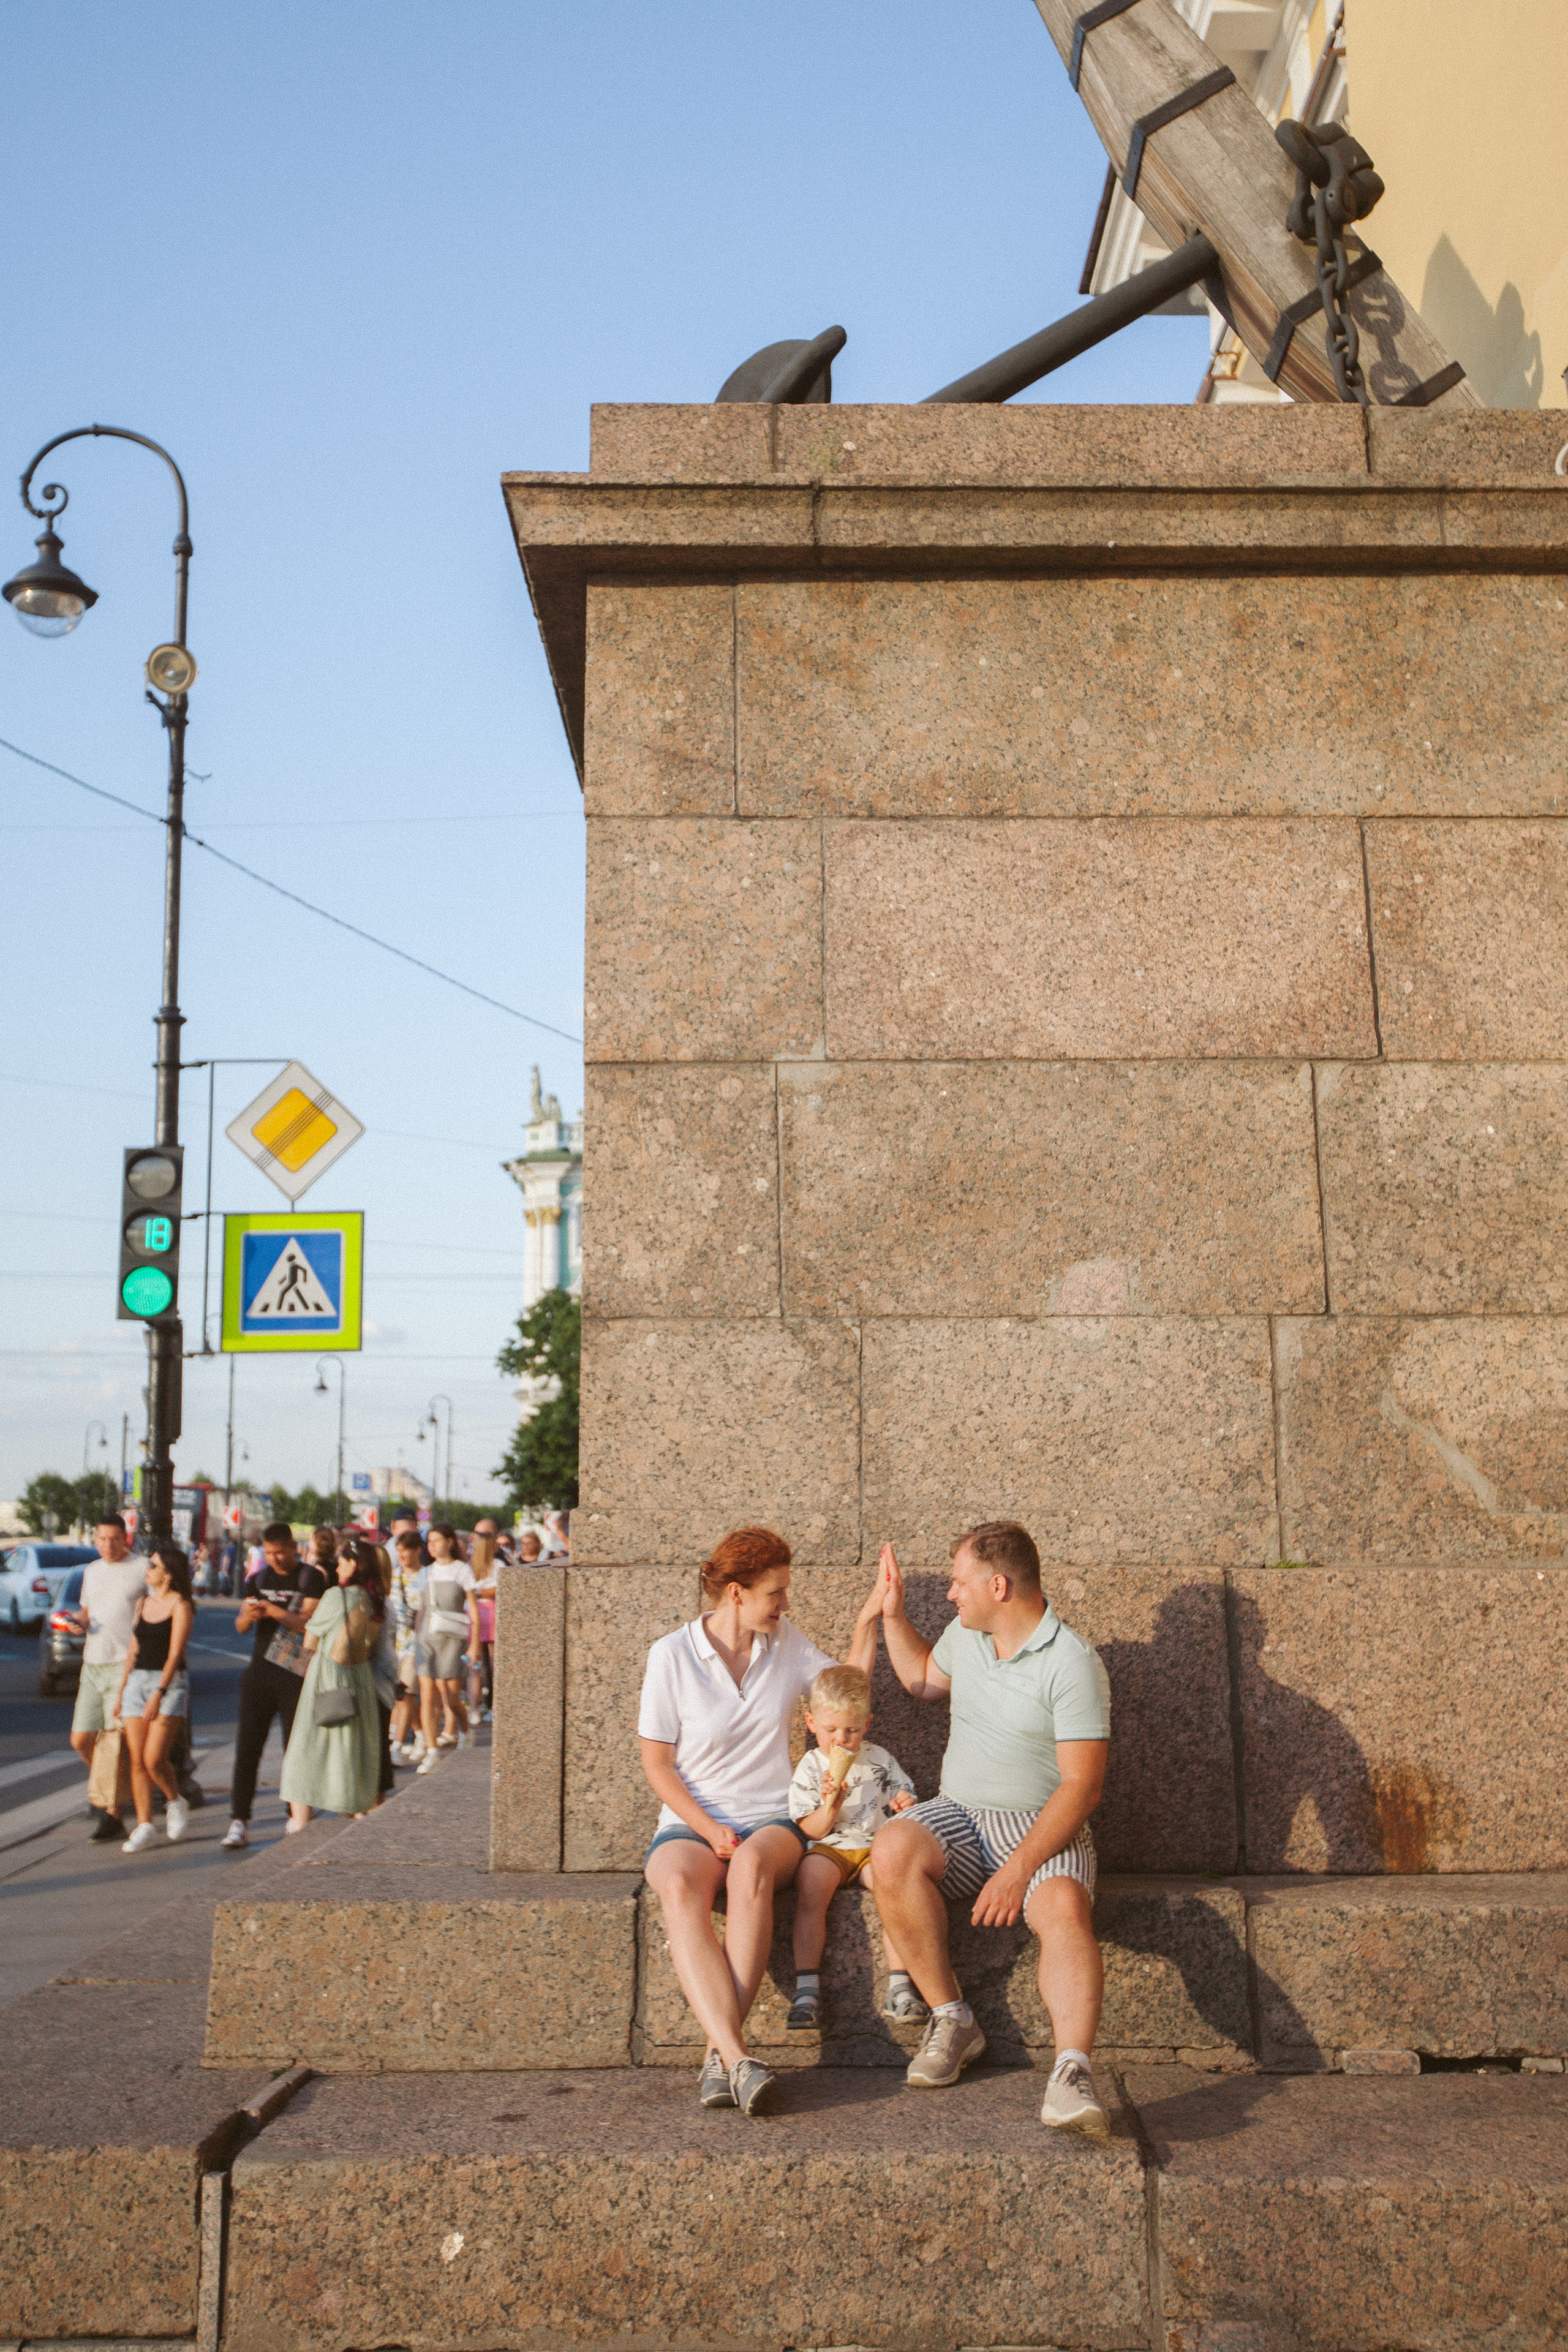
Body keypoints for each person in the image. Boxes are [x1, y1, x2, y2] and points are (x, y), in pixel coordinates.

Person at [865, 1525, 1113, 2141]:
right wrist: (892, 1617)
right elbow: (923, 1678)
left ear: (997, 1585)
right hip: (962, 1814)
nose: (950, 1594)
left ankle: (1071, 2073)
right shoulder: (968, 1637)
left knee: (1060, 1906)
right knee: (892, 1846)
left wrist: (1018, 1869)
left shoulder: (1071, 1663)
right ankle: (953, 2019)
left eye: (957, 1581)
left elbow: (1081, 1787)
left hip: (1041, 1825)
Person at [638, 1526, 883, 2117]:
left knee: (750, 1869)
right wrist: (705, 1827)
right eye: (776, 1593)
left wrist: (870, 1621)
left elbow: (847, 1689)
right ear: (736, 1593)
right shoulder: (672, 1655)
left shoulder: (787, 1643)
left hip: (774, 1816)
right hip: (691, 1817)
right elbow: (658, 1764)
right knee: (676, 1883)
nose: (786, 1604)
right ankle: (734, 2055)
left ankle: (724, 2058)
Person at [785, 1662, 922, 2030]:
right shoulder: (811, 1767)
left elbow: (904, 1798)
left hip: (874, 1846)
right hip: (830, 1846)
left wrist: (904, 1803)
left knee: (894, 1888)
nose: (841, 1740)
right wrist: (830, 1804)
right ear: (812, 1723)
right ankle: (807, 1987)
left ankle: (900, 1985)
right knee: (811, 1884)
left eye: (852, 1730)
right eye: (831, 1730)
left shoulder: (879, 1759)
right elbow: (811, 1830)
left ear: (867, 1724)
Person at [221, 1523, 328, 1849]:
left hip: (295, 1673)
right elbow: (240, 1626)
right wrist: (250, 1616)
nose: (274, 1558)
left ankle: (294, 1813)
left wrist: (273, 1610)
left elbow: (308, 1624)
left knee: (293, 1748)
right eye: (268, 1553)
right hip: (260, 1672)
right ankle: (239, 1819)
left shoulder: (311, 1578)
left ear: (293, 1548)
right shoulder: (258, 1578)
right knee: (247, 1747)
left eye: (280, 1551)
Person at [279, 1537, 385, 1823]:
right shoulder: (371, 1600)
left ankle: (300, 1823)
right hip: (358, 1679)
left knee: (308, 1748)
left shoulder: (337, 1597)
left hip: (328, 1676)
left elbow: (311, 1641)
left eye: (341, 1563)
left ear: (354, 1565)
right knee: (349, 1749)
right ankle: (352, 1809)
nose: (337, 1569)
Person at [68, 1515, 146, 1844]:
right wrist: (78, 1623)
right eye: (102, 1539)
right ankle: (112, 1793)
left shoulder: (142, 1567)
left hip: (123, 1662)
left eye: (114, 1539)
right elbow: (87, 1613)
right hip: (93, 1661)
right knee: (82, 1739)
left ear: (126, 1537)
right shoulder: (92, 1571)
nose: (108, 1545)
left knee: (113, 1742)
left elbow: (153, 1610)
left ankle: (112, 1814)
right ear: (96, 1539)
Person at [115, 1542, 197, 1853]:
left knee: (153, 1758)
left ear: (168, 1575)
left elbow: (175, 1654)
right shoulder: (142, 1604)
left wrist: (158, 1694)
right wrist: (122, 1693)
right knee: (137, 1760)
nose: (147, 1570)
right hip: (137, 1681)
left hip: (169, 1684)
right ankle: (145, 1825)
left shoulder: (181, 1606)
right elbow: (133, 1652)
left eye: (153, 1566)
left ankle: (175, 1802)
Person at [413, 1525, 480, 1771]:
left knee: (451, 1696)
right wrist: (416, 1640)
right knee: (427, 1695)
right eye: (429, 1541)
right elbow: (421, 1608)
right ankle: (432, 1750)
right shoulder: (426, 1572)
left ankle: (464, 1729)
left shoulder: (462, 1570)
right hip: (427, 1637)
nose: (432, 1545)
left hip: (452, 1638)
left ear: (450, 1542)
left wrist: (474, 1643)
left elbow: (472, 1607)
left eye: (436, 1540)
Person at [388, 1528, 426, 1763]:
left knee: (405, 1693)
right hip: (394, 1641)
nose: (401, 1555)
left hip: (416, 1643)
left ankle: (398, 1746)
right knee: (400, 1695)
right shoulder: (392, 1576)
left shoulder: (426, 1577)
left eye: (406, 1550)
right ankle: (421, 1734)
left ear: (417, 1551)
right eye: (398, 1550)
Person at [468, 1532, 497, 1721]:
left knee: (476, 1663)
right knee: (494, 1663)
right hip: (493, 1611)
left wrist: (477, 1593)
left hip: (475, 1612)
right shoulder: (498, 1565)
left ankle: (475, 1708)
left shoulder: (471, 1567)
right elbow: (499, 1588)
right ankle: (493, 1705)